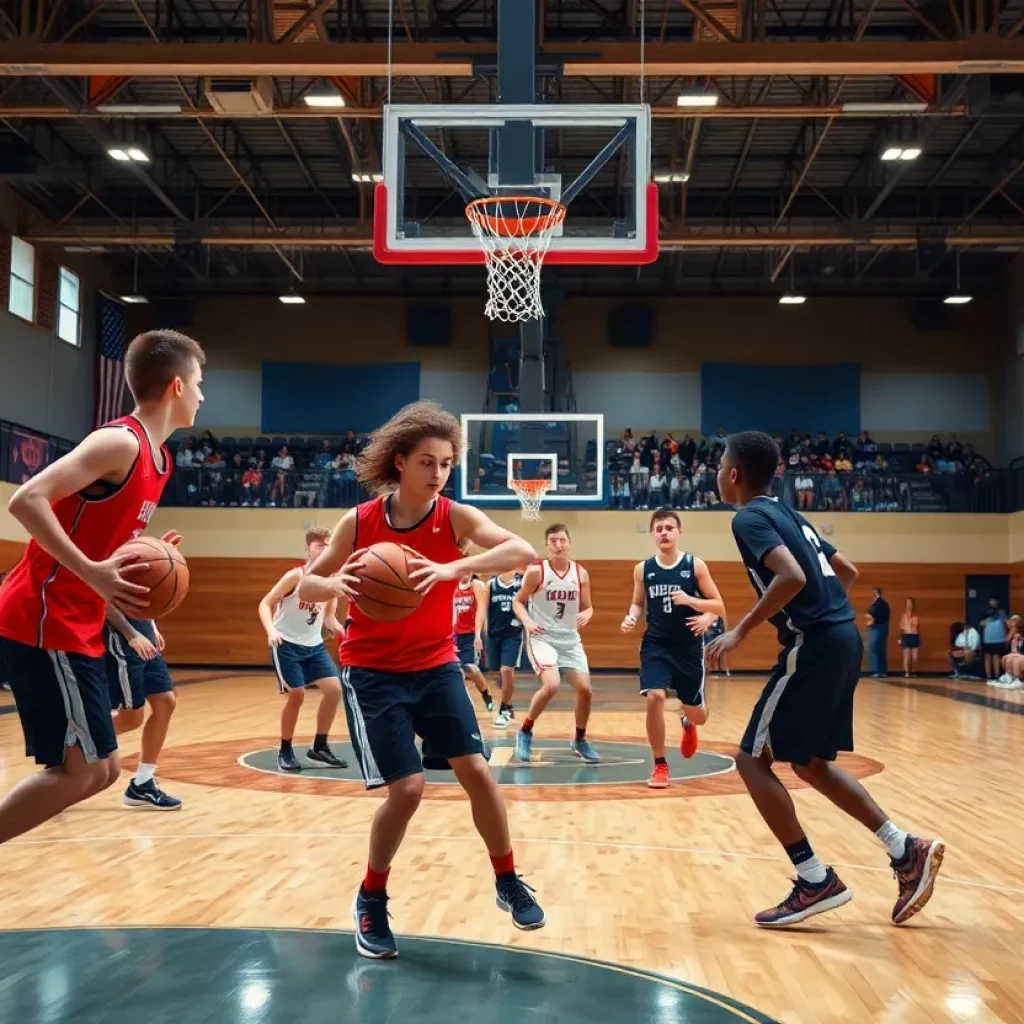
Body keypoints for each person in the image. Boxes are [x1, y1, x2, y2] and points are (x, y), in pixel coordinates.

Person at [297, 401, 544, 960]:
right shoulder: (359, 522)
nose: (438, 474)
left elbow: (522, 550)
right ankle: (372, 896)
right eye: (428, 462)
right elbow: (306, 588)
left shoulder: (453, 517)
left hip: (435, 666)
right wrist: (337, 583)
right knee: (406, 790)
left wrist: (454, 567)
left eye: (447, 464)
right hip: (373, 672)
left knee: (478, 773)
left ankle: (506, 878)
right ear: (401, 462)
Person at [708, 431, 944, 928]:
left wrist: (741, 631)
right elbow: (847, 571)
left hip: (814, 643)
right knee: (811, 765)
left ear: (733, 474)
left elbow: (791, 576)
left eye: (719, 464)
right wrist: (827, 610)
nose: (716, 471)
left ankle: (814, 879)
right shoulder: (791, 513)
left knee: (751, 761)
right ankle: (905, 849)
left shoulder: (749, 516)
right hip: (843, 637)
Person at [0, 329, 204, 845]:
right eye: (200, 384)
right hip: (44, 612)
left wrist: (147, 551)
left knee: (104, 771)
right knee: (84, 771)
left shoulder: (161, 461)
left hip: (79, 621)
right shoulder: (120, 442)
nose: (203, 396)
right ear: (177, 386)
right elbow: (26, 499)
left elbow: (95, 526)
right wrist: (91, 570)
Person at [621, 508, 725, 788]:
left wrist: (700, 610)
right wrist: (631, 615)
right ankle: (660, 765)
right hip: (656, 644)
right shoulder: (643, 569)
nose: (664, 532)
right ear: (653, 534)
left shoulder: (695, 566)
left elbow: (718, 606)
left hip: (688, 648)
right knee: (655, 696)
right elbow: (637, 602)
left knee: (698, 716)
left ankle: (688, 723)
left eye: (669, 527)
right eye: (659, 528)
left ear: (680, 532)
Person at [258, 526, 348, 773]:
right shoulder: (295, 577)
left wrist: (346, 634)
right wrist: (271, 631)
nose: (324, 549)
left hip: (313, 645)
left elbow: (329, 619)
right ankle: (285, 751)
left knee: (334, 691)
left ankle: (319, 747)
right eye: (319, 545)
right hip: (286, 642)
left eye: (328, 546)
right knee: (296, 695)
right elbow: (265, 603)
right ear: (307, 549)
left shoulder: (331, 582)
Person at [513, 524, 599, 765]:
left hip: (570, 639)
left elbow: (588, 606)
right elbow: (518, 602)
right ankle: (525, 731)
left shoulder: (580, 573)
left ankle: (580, 739)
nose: (558, 545)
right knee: (552, 685)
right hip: (543, 637)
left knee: (585, 690)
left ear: (569, 543)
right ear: (547, 545)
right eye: (553, 541)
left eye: (562, 540)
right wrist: (528, 622)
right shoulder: (536, 572)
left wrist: (589, 614)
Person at [104, 607, 182, 809]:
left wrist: (151, 625)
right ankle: (70, 751)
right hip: (120, 639)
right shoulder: (105, 573)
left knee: (166, 701)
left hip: (143, 632)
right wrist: (132, 634)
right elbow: (103, 600)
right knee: (131, 718)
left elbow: (149, 594)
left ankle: (142, 784)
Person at [485, 568, 524, 728]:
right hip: (494, 634)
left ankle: (503, 710)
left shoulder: (521, 584)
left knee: (507, 670)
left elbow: (524, 606)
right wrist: (482, 634)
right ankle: (508, 702)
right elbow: (484, 609)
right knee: (496, 671)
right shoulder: (491, 585)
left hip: (513, 634)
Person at [453, 575, 494, 712]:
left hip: (470, 634)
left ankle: (486, 694)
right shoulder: (453, 586)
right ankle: (463, 706)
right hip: (454, 635)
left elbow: (481, 610)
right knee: (456, 672)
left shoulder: (476, 585)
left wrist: (478, 635)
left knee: (472, 669)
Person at [980, 597, 1008, 682]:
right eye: (991, 603)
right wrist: (984, 622)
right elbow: (980, 624)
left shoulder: (1001, 612)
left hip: (999, 638)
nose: (992, 604)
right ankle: (988, 676)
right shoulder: (985, 612)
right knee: (987, 657)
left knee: (996, 656)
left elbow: (1006, 623)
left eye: (994, 603)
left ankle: (996, 676)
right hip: (988, 638)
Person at [864, 586, 890, 677]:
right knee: (881, 649)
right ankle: (882, 671)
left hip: (876, 628)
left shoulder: (878, 604)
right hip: (883, 628)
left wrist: (868, 616)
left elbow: (871, 616)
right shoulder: (885, 604)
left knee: (873, 648)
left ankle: (876, 671)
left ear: (875, 593)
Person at [899, 598, 920, 678]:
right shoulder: (903, 614)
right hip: (906, 635)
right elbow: (901, 625)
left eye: (910, 603)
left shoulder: (915, 614)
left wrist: (910, 625)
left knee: (915, 656)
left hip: (914, 635)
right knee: (906, 655)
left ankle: (913, 671)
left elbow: (916, 625)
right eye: (907, 603)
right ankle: (906, 672)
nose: (909, 605)